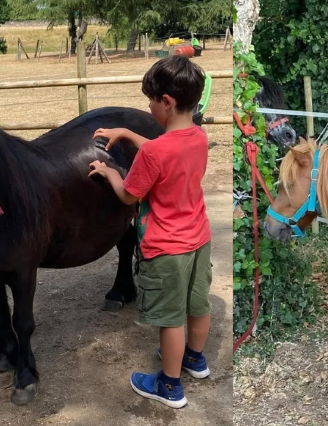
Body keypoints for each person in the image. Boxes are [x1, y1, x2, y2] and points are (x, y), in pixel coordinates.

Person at [87, 55, 212, 409]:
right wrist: (127, 133)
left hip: (167, 248)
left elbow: (129, 194)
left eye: (151, 101)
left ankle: (169, 386)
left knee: (170, 321)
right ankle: (195, 360)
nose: (148, 107)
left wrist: (111, 172)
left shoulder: (154, 153)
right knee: (197, 305)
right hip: (199, 239)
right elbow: (166, 150)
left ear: (167, 102)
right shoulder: (199, 137)